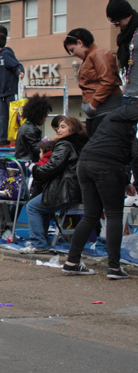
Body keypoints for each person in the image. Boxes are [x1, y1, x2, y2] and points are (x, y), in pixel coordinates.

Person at [61, 105, 138, 279]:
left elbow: (112, 145)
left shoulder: (115, 115)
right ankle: (114, 267)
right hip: (109, 166)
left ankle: (71, 262)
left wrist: (125, 181)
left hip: (86, 163)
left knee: (90, 215)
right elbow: (135, 153)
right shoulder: (132, 121)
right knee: (114, 215)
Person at [21, 117, 87, 253]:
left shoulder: (65, 145)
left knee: (32, 206)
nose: (59, 129)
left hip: (65, 189)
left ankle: (39, 244)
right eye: (59, 127)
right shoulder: (80, 144)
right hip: (75, 189)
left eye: (63, 127)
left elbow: (52, 166)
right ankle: (42, 242)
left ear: (72, 129)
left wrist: (34, 169)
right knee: (42, 207)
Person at [64, 28, 122, 137]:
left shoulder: (99, 54)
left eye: (72, 49)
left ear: (80, 43)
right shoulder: (90, 56)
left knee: (99, 146)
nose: (72, 54)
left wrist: (94, 104)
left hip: (104, 108)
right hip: (97, 110)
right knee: (94, 144)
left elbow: (107, 81)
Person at [106, 0, 138, 105]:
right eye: (113, 23)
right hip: (128, 94)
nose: (115, 26)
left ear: (127, 15)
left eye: (118, 22)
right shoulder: (125, 37)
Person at [15, 94, 52, 162]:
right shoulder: (29, 130)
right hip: (27, 163)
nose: (45, 120)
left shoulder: (27, 127)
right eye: (44, 117)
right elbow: (37, 149)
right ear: (38, 115)